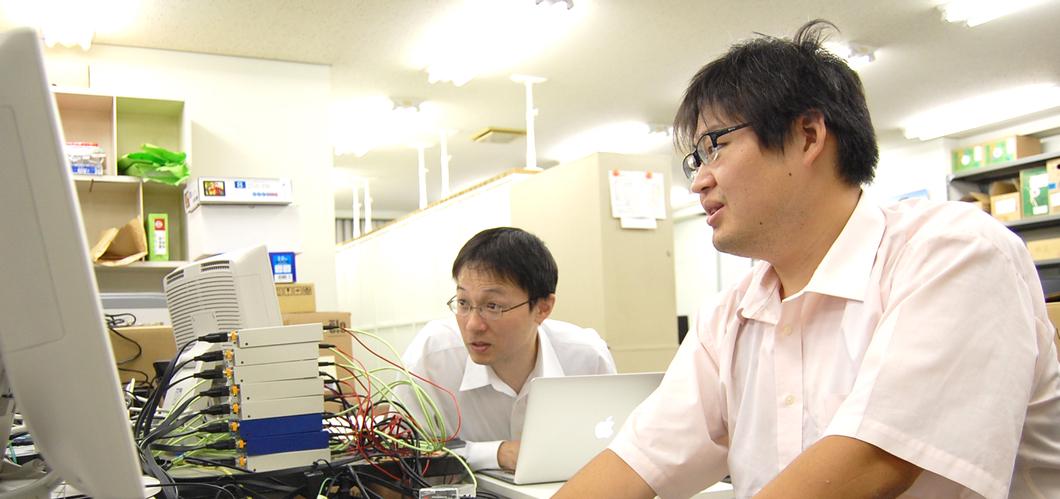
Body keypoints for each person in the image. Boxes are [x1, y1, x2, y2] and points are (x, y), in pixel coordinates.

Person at [557, 19, 1060, 499]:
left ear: (808, 136)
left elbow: (875, 461)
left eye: (715, 147)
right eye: (696, 160)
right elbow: (638, 458)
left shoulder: (954, 251)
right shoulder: (732, 314)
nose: (699, 181)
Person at [398, 227, 616, 472]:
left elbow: (616, 448)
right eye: (463, 303)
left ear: (543, 308)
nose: (473, 325)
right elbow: (398, 453)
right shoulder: (432, 357)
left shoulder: (586, 358)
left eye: (493, 306)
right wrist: (497, 454)